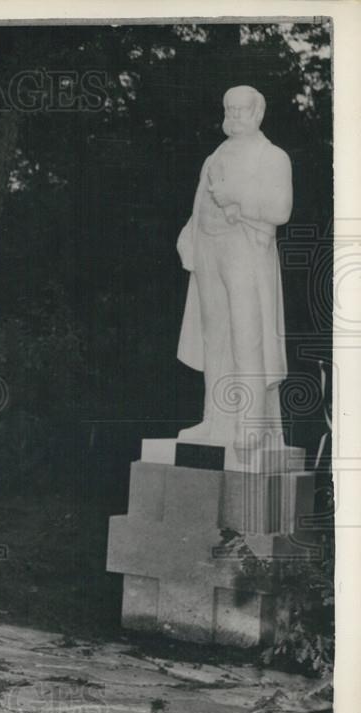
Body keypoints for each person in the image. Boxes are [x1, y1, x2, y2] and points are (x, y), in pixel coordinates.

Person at [176, 85, 292, 451]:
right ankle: (215, 420)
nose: (234, 115)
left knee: (247, 336)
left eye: (241, 109)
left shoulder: (272, 157)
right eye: (229, 108)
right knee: (215, 339)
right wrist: (188, 237)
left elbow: (281, 210)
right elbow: (199, 204)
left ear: (258, 113)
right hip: (210, 249)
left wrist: (238, 199)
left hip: (245, 250)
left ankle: (251, 424)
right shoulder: (214, 157)